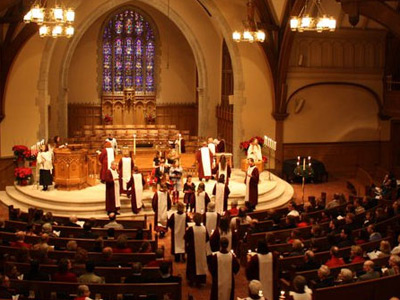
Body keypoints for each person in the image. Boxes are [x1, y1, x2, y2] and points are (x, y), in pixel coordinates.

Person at [184, 213, 211, 287]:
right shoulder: (204, 229)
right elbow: (207, 239)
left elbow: (186, 238)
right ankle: (200, 281)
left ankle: (192, 280)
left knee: (192, 265)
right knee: (201, 264)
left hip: (192, 251)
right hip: (202, 250)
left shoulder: (191, 229)